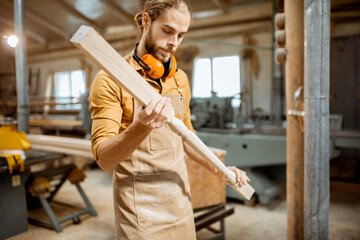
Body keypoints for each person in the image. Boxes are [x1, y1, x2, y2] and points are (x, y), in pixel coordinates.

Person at [89, 0, 250, 239]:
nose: (174, 42)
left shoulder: (179, 79)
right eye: (167, 31)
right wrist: (142, 125)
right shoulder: (111, 79)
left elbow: (187, 136)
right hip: (139, 212)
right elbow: (104, 158)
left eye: (181, 35)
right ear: (146, 22)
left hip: (180, 202)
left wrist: (219, 170)